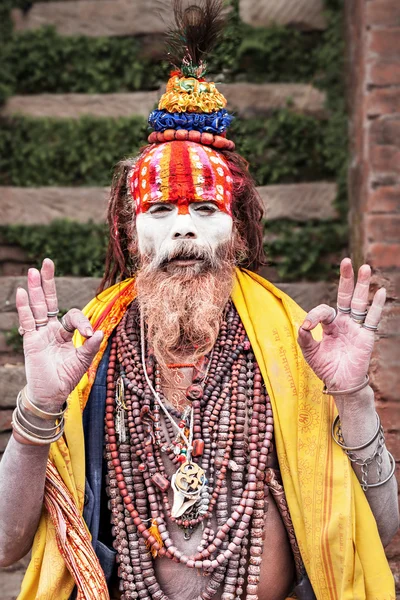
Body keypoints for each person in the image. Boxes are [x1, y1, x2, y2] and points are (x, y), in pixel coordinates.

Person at [0, 2, 398, 599]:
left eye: (205, 210)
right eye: (160, 211)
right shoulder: (90, 356)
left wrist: (354, 397)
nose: (183, 230)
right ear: (128, 235)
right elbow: (6, 548)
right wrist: (40, 405)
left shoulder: (294, 349)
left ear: (237, 234)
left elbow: (387, 538)